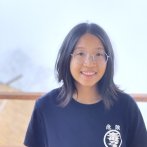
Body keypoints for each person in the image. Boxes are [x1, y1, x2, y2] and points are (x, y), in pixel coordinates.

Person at [24, 22, 147, 147]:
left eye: (98, 54)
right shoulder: (45, 107)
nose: (89, 62)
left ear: (107, 60)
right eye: (80, 53)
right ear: (67, 57)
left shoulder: (126, 106)